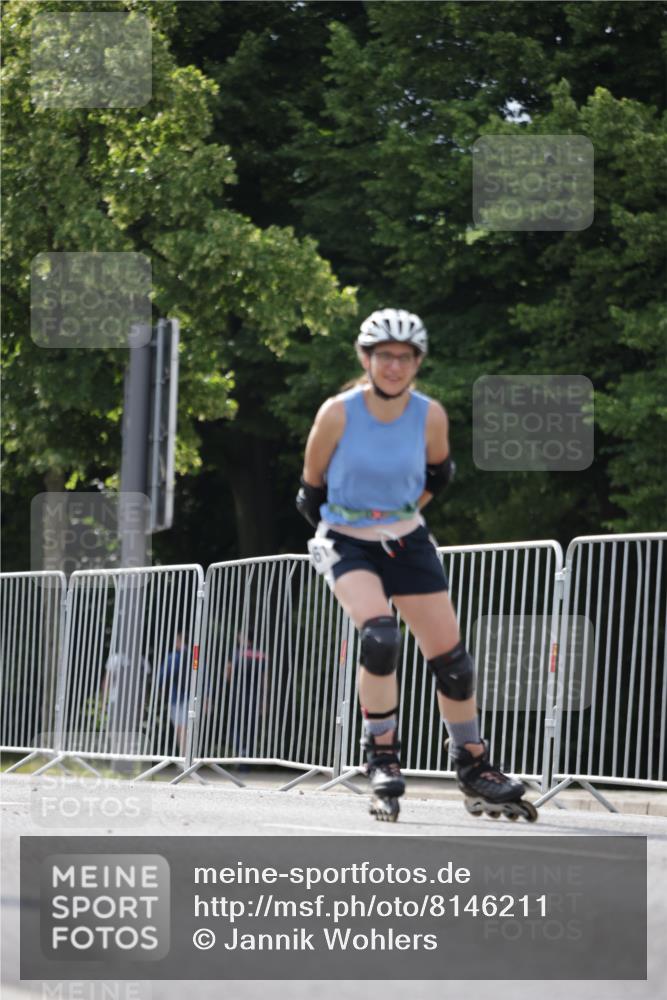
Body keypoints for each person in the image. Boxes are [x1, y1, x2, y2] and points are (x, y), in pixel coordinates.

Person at [296, 308, 536, 822]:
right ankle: (382, 757)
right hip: (346, 541)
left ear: (417, 362)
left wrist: (398, 519)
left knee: (452, 661)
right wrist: (347, 530)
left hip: (407, 539)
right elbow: (309, 492)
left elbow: (438, 474)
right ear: (366, 358)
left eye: (405, 357)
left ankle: (474, 766)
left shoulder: (430, 415)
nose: (394, 366)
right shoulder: (338, 412)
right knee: (380, 637)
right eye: (384, 356)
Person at [225, 627, 267, 772]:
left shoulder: (236, 654)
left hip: (238, 695)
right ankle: (246, 757)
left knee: (235, 726)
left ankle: (240, 753)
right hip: (254, 696)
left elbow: (228, 674)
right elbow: (264, 679)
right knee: (250, 728)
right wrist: (264, 700)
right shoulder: (261, 655)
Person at [159, 632, 191, 757]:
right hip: (191, 697)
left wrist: (161, 693)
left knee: (180, 729)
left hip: (175, 697)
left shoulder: (172, 657)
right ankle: (187, 757)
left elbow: (162, 677)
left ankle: (184, 757)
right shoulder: (194, 656)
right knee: (187, 729)